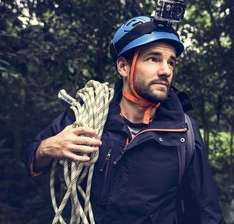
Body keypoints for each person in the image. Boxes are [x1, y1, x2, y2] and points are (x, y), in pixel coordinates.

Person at [25, 15, 223, 223]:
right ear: (123, 67)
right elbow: (32, 156)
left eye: (170, 62)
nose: (166, 71)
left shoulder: (185, 133)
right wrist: (47, 147)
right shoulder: (86, 116)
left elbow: (205, 213)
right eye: (153, 59)